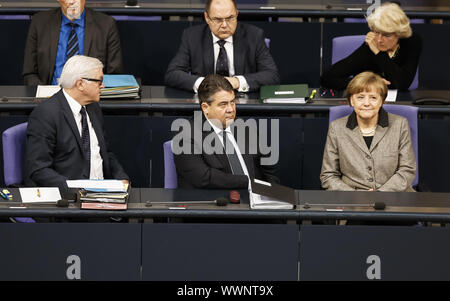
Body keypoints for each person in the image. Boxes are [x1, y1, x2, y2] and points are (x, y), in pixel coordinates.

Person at [24, 55, 129, 193]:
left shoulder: (93, 108)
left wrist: (121, 178)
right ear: (80, 84)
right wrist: (77, 190)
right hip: (68, 199)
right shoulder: (46, 114)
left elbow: (105, 152)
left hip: (102, 194)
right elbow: (39, 170)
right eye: (99, 81)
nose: (103, 86)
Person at [173, 74, 279, 189]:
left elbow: (268, 170)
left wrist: (274, 195)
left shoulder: (245, 127)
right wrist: (249, 183)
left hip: (257, 200)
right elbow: (204, 177)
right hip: (216, 201)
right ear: (205, 107)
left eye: (232, 102)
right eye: (223, 104)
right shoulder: (185, 134)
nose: (230, 109)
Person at [320, 71, 416, 192]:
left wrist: (380, 194)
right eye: (360, 97)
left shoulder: (400, 124)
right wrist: (355, 196)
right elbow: (328, 175)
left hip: (394, 195)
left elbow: (407, 170)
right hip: (351, 200)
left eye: (373, 98)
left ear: (382, 101)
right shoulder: (336, 128)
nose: (366, 103)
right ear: (351, 101)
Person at [165, 0, 280, 93]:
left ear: (237, 14)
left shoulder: (254, 35)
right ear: (207, 18)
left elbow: (272, 75)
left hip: (241, 101)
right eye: (218, 19)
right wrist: (205, 83)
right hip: (207, 103)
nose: (224, 25)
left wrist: (236, 82)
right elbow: (173, 74)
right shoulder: (192, 37)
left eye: (230, 18)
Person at [321, 2, 422, 91]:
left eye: (386, 35)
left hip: (401, 101)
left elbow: (402, 83)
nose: (378, 39)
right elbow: (327, 78)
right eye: (376, 32)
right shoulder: (370, 45)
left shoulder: (412, 41)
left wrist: (379, 53)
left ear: (399, 34)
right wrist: (366, 84)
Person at [23, 0, 123, 86]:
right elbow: (29, 73)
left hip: (90, 99)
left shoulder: (106, 25)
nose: (71, 2)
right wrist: (45, 95)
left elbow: (114, 74)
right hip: (50, 98)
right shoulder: (40, 22)